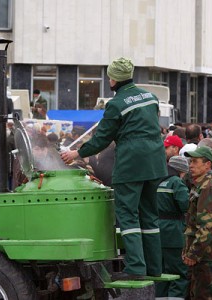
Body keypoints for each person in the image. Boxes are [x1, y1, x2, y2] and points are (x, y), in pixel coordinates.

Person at [60, 57, 167, 279]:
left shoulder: (116, 104)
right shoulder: (151, 97)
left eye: (109, 76)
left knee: (128, 215)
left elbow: (101, 140)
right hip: (155, 163)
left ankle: (136, 268)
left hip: (131, 164)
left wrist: (76, 153)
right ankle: (155, 268)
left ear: (114, 79)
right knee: (150, 216)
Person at [182, 146, 212, 299]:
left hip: (206, 255)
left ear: (208, 165)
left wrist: (193, 253)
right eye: (190, 161)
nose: (190, 165)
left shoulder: (208, 187)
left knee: (204, 296)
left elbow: (207, 226)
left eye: (195, 161)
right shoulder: (200, 185)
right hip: (203, 254)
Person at [155, 156, 190, 299]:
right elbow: (185, 205)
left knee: (161, 274)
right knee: (178, 273)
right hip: (174, 232)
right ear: (181, 171)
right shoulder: (176, 183)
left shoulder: (157, 181)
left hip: (156, 231)